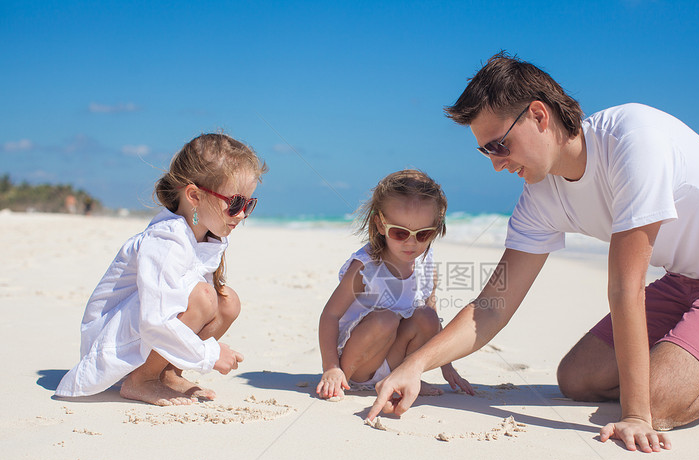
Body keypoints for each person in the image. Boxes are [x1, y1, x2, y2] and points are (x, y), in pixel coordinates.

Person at [368, 52, 699, 453]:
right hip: (688, 279)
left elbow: (625, 288)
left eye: (499, 145)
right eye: (485, 150)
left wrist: (637, 415)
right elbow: (492, 306)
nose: (495, 162)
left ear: (538, 115)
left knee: (657, 403)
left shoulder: (633, 139)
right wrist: (415, 365)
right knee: (577, 379)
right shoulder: (539, 195)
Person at [55, 133, 267, 406]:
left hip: (142, 331)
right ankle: (142, 380)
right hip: (111, 339)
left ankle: (167, 372)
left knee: (228, 301)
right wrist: (207, 355)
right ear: (194, 196)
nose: (241, 214)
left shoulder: (208, 236)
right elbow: (154, 320)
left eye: (249, 204)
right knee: (203, 295)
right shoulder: (166, 240)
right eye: (235, 203)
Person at [317, 169, 473, 400]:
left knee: (428, 316)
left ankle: (405, 377)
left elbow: (430, 314)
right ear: (381, 225)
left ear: (436, 227)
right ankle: (344, 381)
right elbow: (330, 315)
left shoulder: (425, 263)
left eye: (423, 234)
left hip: (394, 358)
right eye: (400, 233)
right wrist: (331, 368)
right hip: (359, 361)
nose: (411, 243)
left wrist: (446, 366)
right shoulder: (365, 267)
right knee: (386, 318)